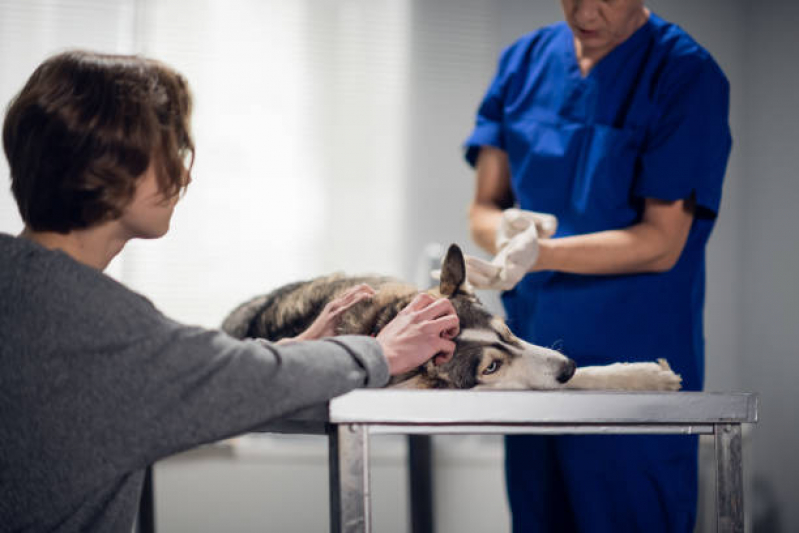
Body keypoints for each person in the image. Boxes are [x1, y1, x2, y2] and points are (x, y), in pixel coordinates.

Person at [0, 50, 459, 532]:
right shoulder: (97, 326)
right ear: (111, 163)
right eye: (172, 151)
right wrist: (381, 351)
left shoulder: (32, 295)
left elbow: (196, 375)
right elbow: (199, 370)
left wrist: (291, 352)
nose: (187, 174)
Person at [463, 0, 731, 531]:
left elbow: (663, 241)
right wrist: (509, 231)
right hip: (531, 364)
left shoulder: (683, 73)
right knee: (540, 515)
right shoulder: (524, 62)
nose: (585, 12)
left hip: (629, 362)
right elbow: (483, 208)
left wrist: (543, 254)